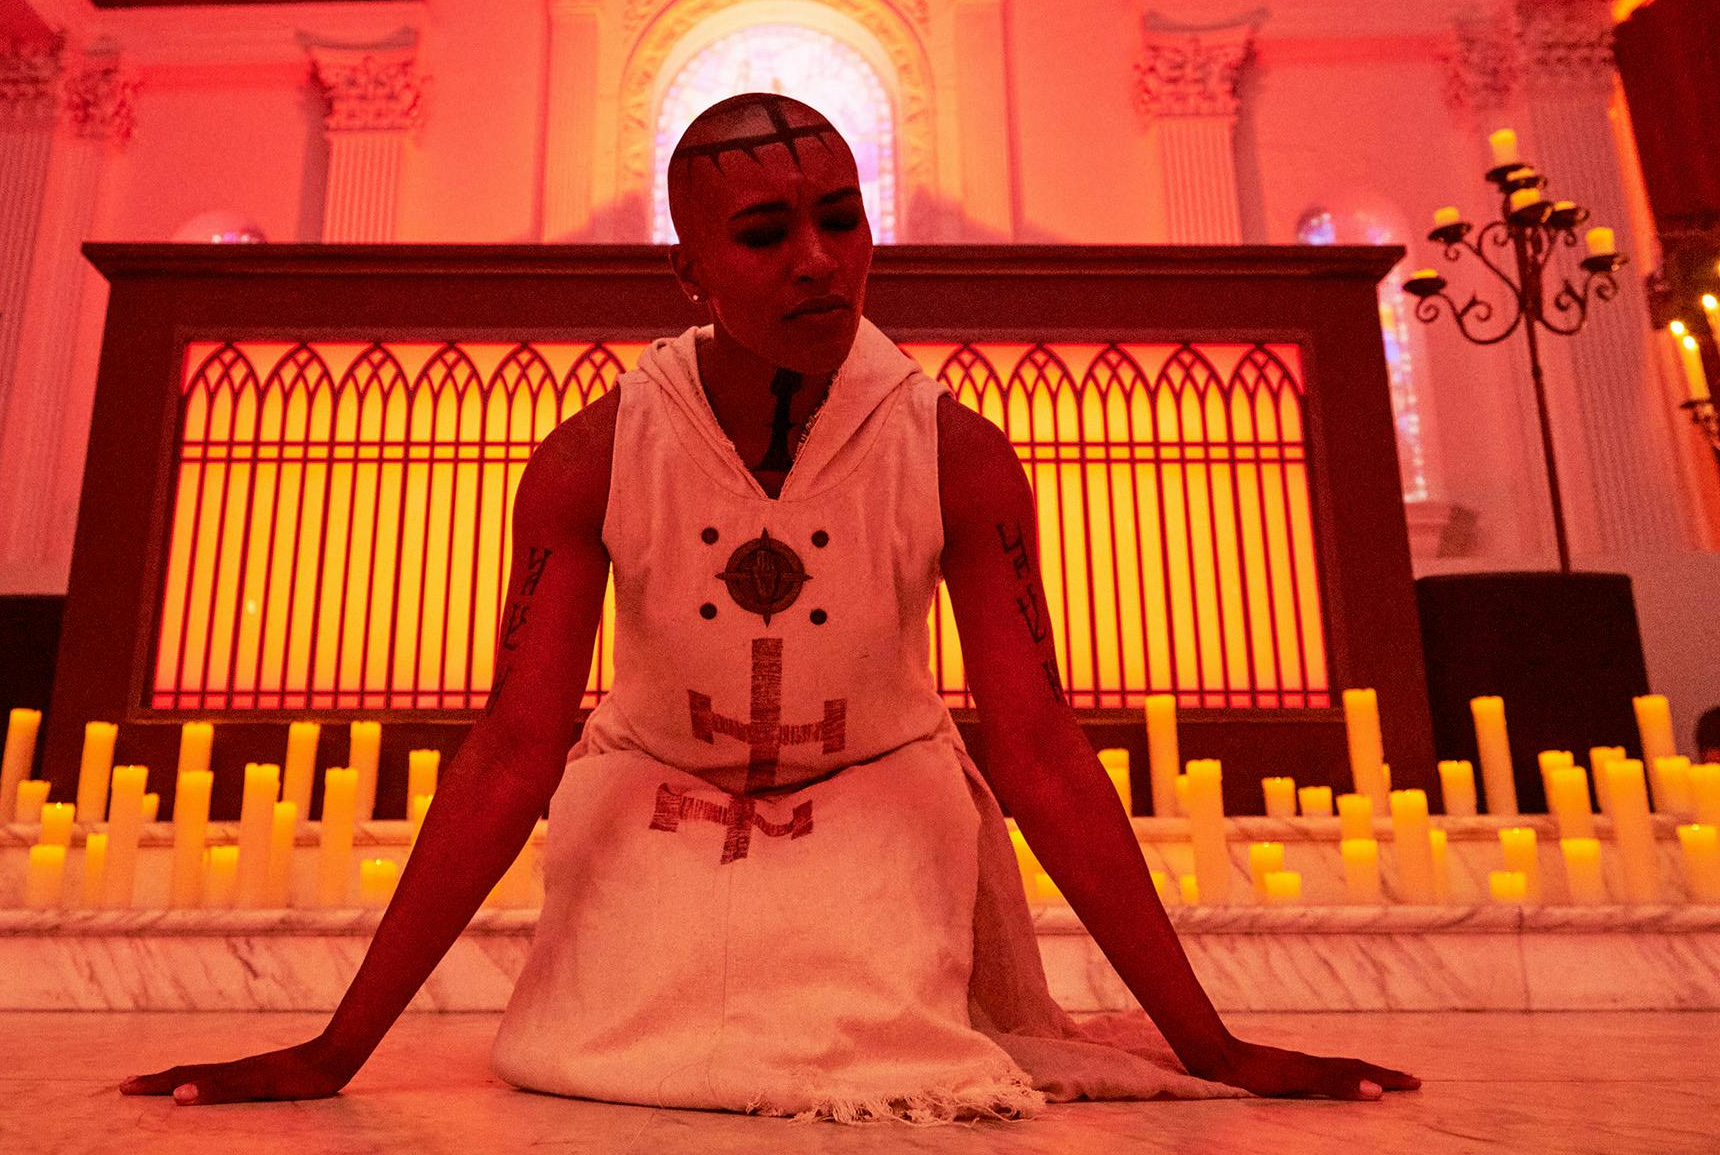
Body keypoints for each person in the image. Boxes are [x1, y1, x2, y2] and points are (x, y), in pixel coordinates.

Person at [120, 92, 1420, 1121]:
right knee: (602, 1058)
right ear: (687, 268)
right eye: (765, 234)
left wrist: (1215, 1046)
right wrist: (337, 1048)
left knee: (871, 1051)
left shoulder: (958, 454)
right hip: (659, 792)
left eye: (841, 218)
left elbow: (1037, 749)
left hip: (877, 791)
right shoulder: (591, 455)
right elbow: (515, 750)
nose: (819, 260)